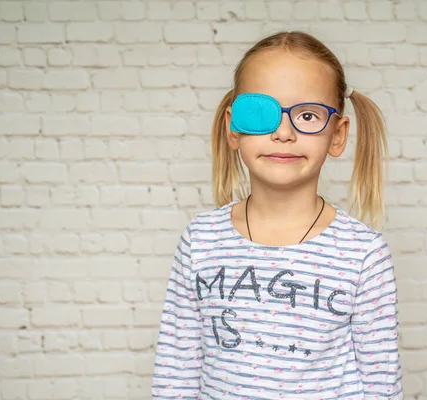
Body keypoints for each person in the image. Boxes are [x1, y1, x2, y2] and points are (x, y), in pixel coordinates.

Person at [152, 31, 403, 399]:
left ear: (337, 135)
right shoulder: (201, 240)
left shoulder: (363, 253)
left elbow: (381, 386)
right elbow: (175, 372)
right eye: (261, 113)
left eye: (307, 115)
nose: (284, 132)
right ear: (233, 128)